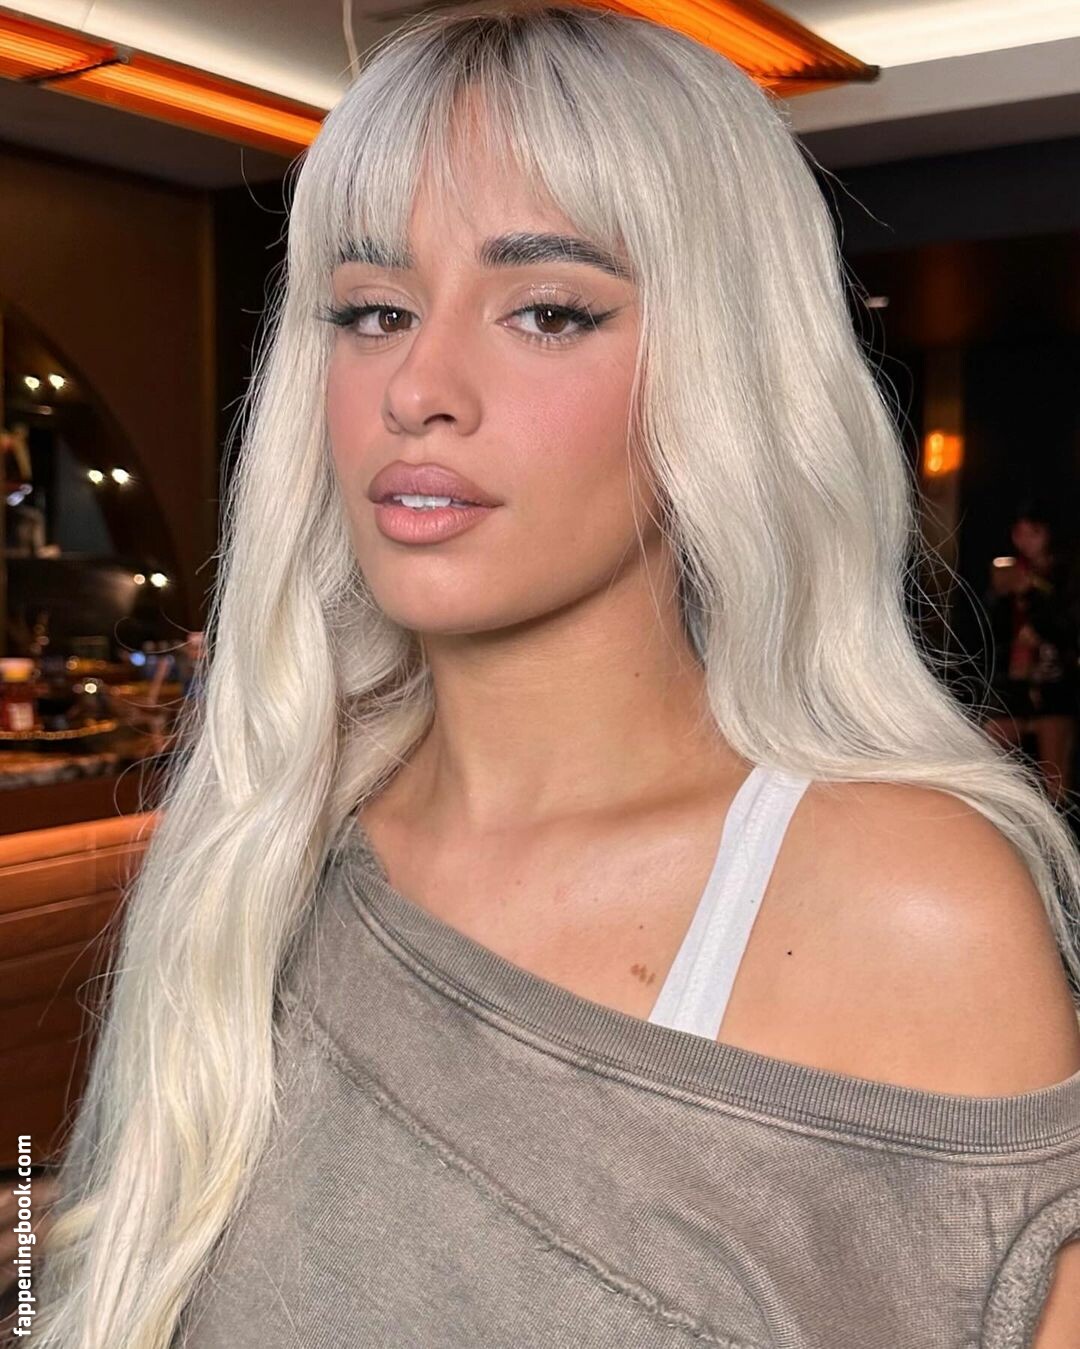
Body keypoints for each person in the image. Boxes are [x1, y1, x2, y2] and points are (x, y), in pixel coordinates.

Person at [30, 5, 1080, 1346]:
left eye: (546, 311)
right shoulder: (262, 851)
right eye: (373, 310)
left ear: (725, 371)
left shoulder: (909, 902)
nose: (419, 385)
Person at [983, 504, 1080, 808]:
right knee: (989, 743)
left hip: (1054, 683)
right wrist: (1002, 594)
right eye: (1019, 533)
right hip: (1015, 684)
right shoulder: (1011, 570)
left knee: (1055, 777)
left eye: (1033, 533)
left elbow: (1067, 624)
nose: (1025, 541)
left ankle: (1057, 827)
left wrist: (1033, 595)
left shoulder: (1065, 572)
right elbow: (989, 624)